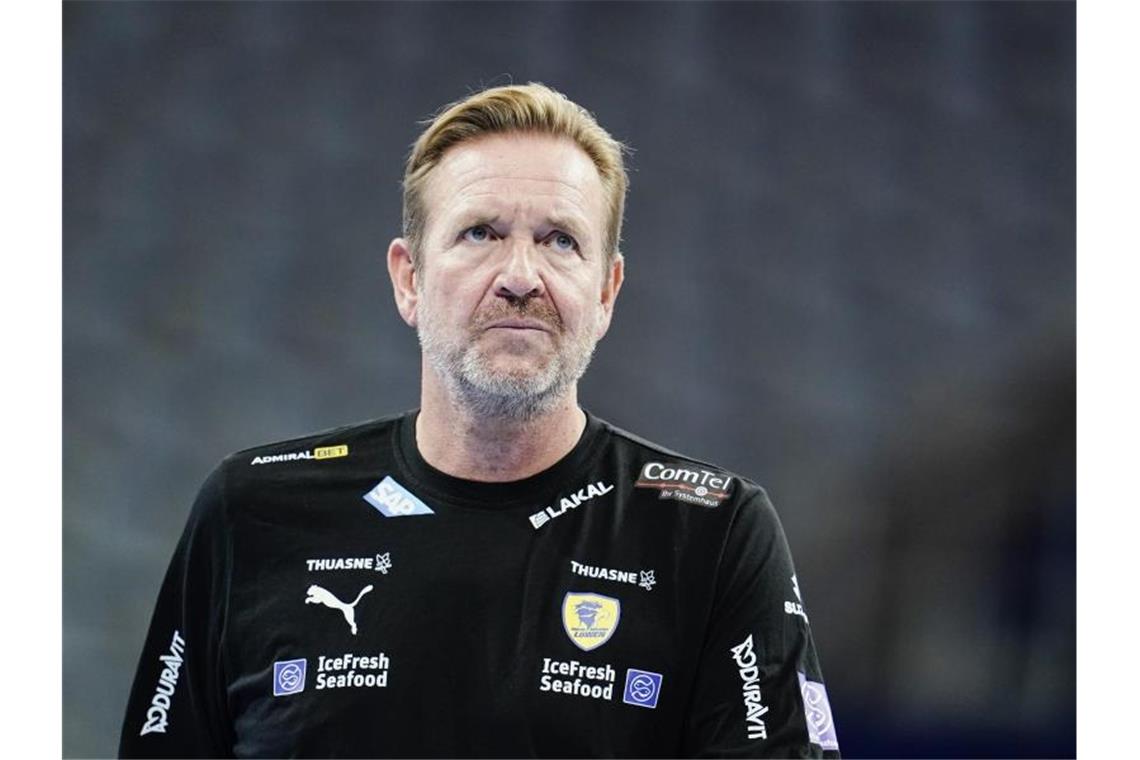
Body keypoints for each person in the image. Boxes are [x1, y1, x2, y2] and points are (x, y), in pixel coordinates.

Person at [119, 82, 840, 758]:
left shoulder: (710, 532)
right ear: (410, 279)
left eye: (561, 239)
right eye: (480, 234)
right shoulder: (252, 512)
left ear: (607, 290)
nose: (521, 276)